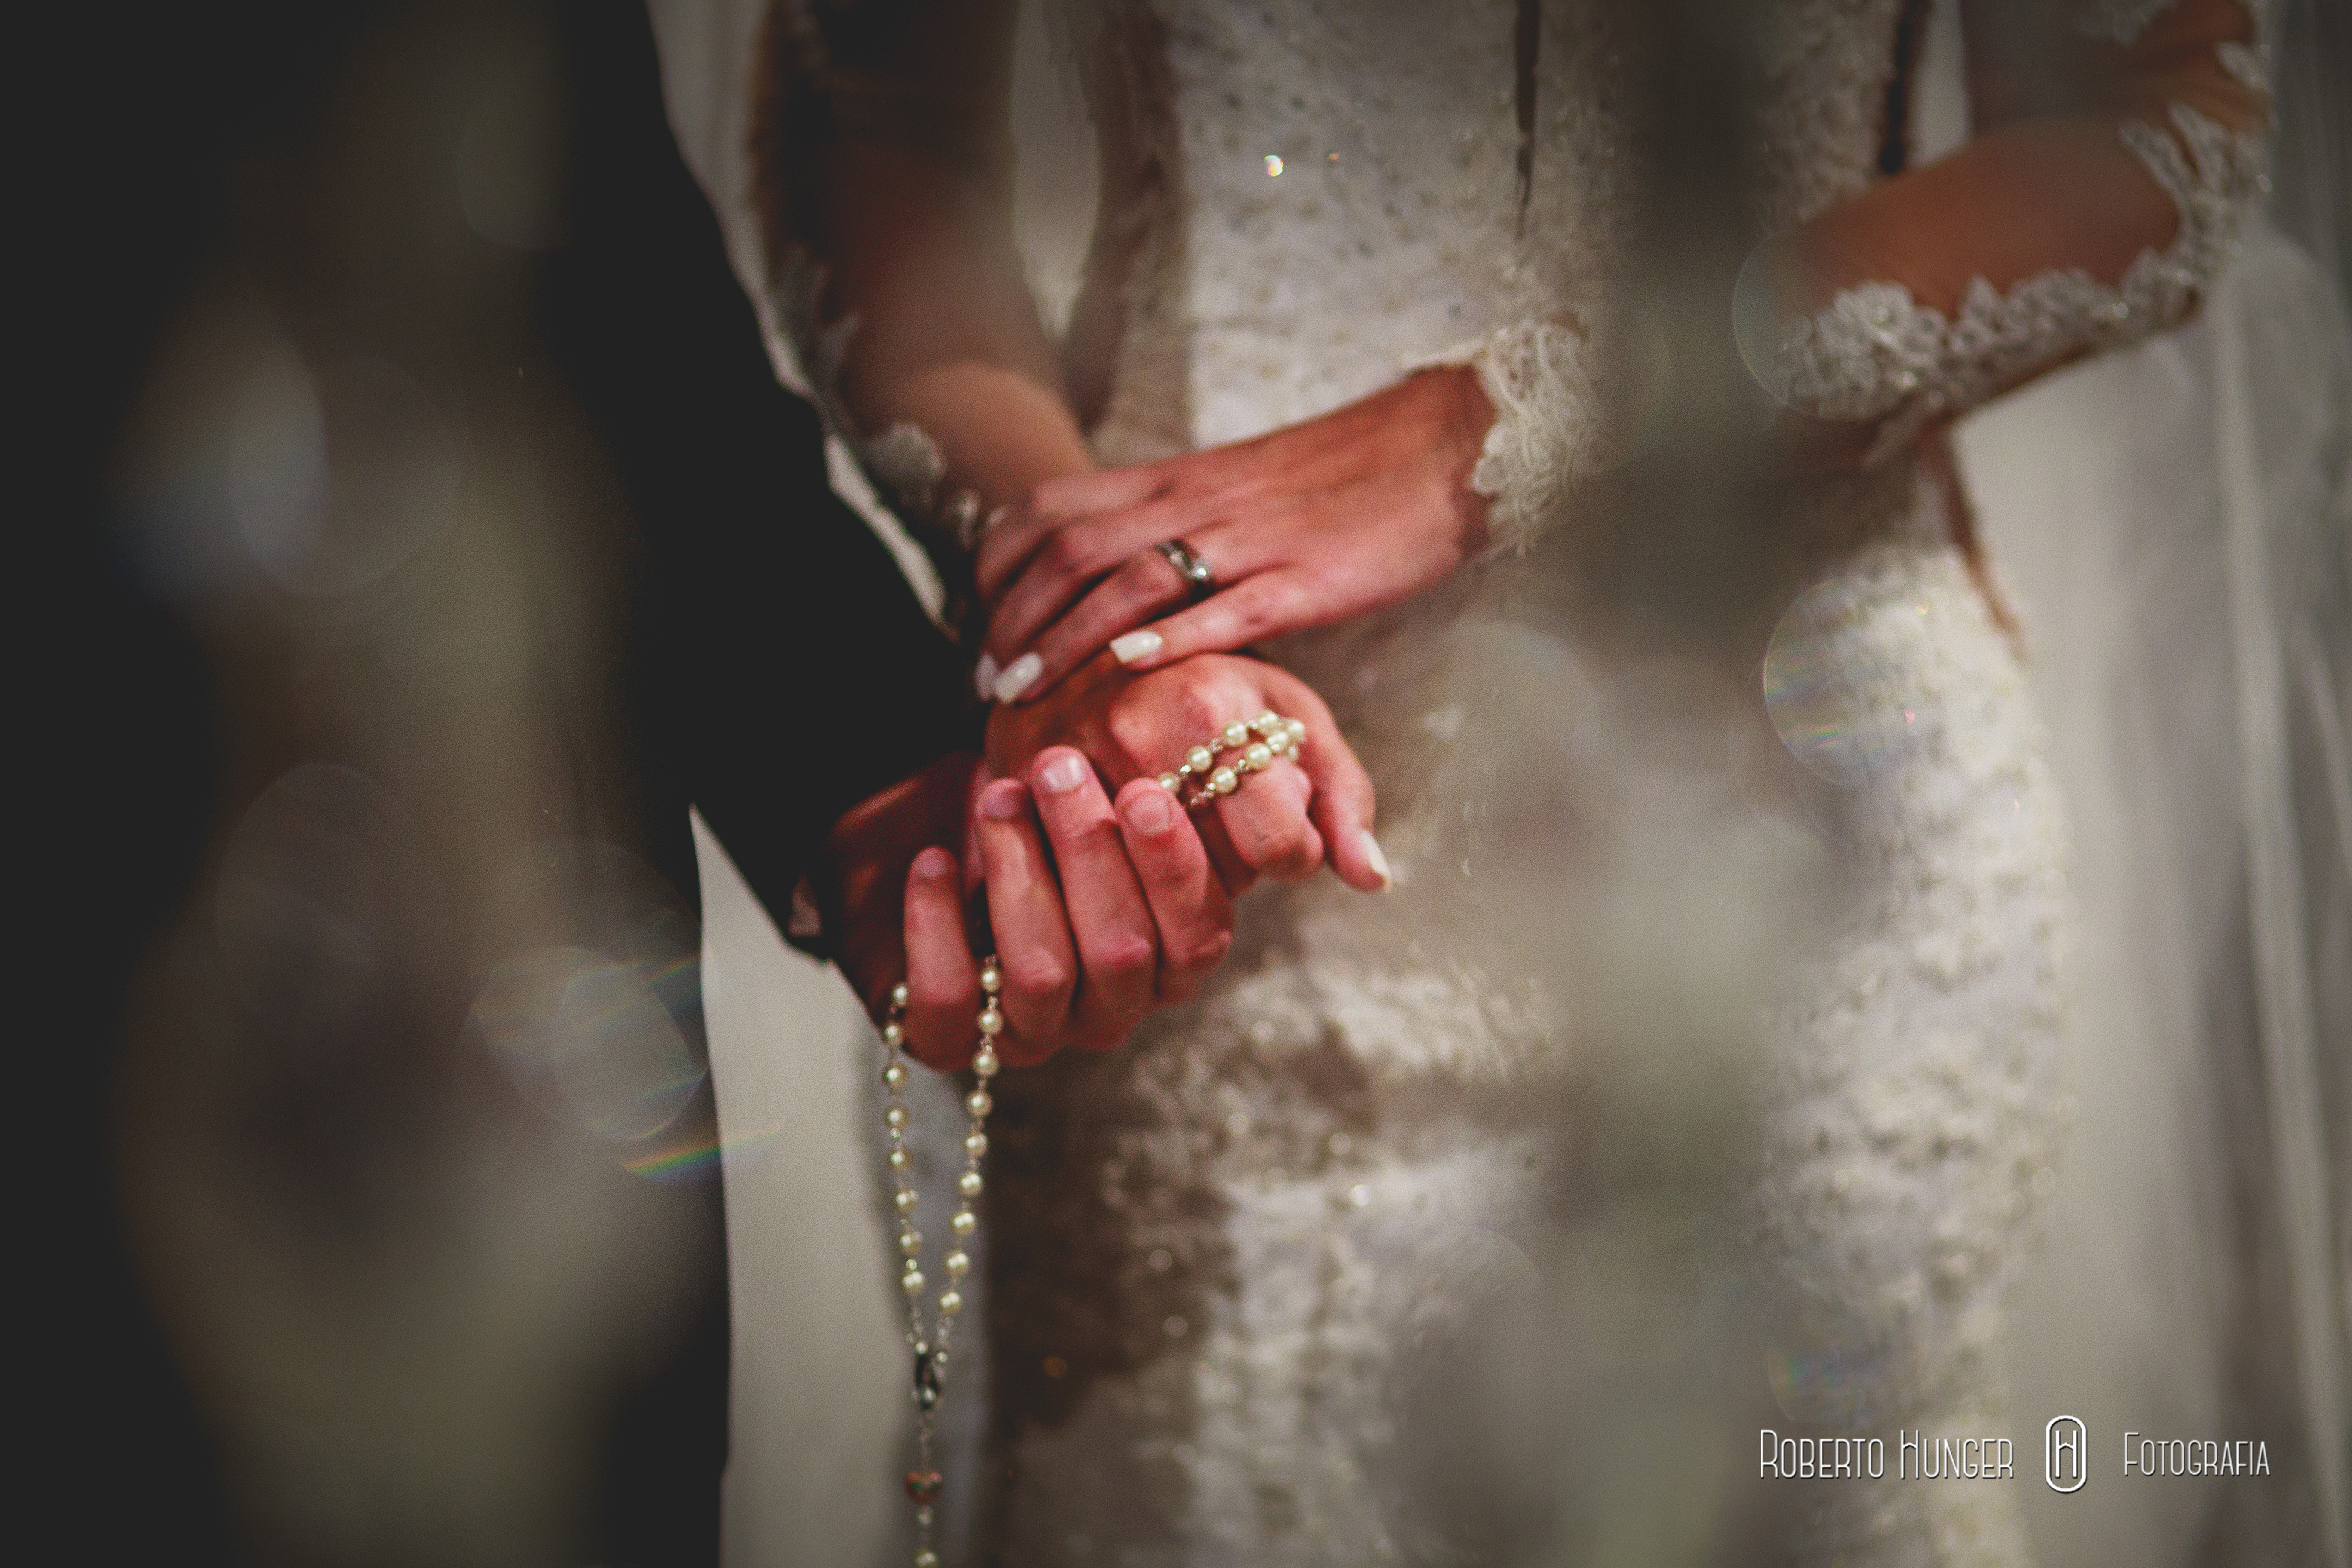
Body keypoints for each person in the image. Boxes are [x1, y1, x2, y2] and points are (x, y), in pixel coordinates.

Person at [653, 0, 2345, 1562]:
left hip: (1789, 829)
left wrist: (1496, 427)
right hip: (1190, 841)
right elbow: (880, 121)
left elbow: (2152, 134)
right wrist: (1089, 601)